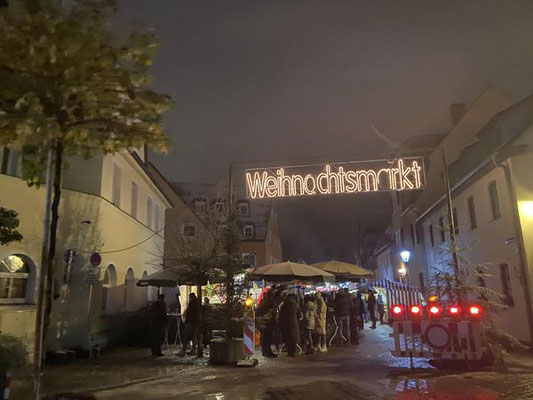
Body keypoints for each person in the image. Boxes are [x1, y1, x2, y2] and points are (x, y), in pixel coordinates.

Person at [178, 293, 200, 357]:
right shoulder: (197, 303)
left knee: (186, 336)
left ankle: (183, 350)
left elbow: (190, 314)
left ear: (191, 297)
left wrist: (186, 322)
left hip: (191, 323)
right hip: (195, 323)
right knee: (193, 337)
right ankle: (193, 350)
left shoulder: (192, 304)